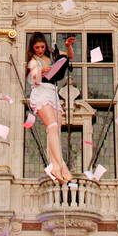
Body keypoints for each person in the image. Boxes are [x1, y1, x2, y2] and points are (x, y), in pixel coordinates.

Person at [24, 32, 77, 184]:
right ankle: (56, 166)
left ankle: (60, 166)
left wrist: (68, 46)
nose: (40, 50)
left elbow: (69, 57)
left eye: (42, 47)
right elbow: (32, 77)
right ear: (32, 48)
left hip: (53, 92)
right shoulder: (33, 60)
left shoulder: (52, 53)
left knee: (57, 130)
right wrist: (42, 71)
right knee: (52, 126)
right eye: (37, 48)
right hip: (41, 92)